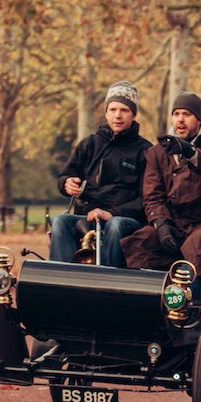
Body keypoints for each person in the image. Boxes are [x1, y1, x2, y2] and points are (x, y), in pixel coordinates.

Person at [121, 92, 201, 299]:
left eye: (187, 114)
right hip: (176, 222)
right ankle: (139, 303)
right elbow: (153, 194)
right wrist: (161, 224)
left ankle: (186, 306)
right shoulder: (158, 152)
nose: (180, 119)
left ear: (198, 119)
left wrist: (191, 153)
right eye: (176, 113)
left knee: (197, 245)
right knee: (141, 241)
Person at [50, 80, 152, 267]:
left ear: (134, 114)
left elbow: (146, 199)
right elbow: (66, 175)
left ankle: (107, 282)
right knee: (60, 221)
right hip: (87, 216)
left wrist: (111, 213)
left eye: (124, 110)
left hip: (124, 220)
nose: (117, 115)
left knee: (115, 225)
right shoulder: (89, 144)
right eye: (112, 110)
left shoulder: (146, 151)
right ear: (106, 113)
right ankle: (61, 280)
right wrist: (66, 183)